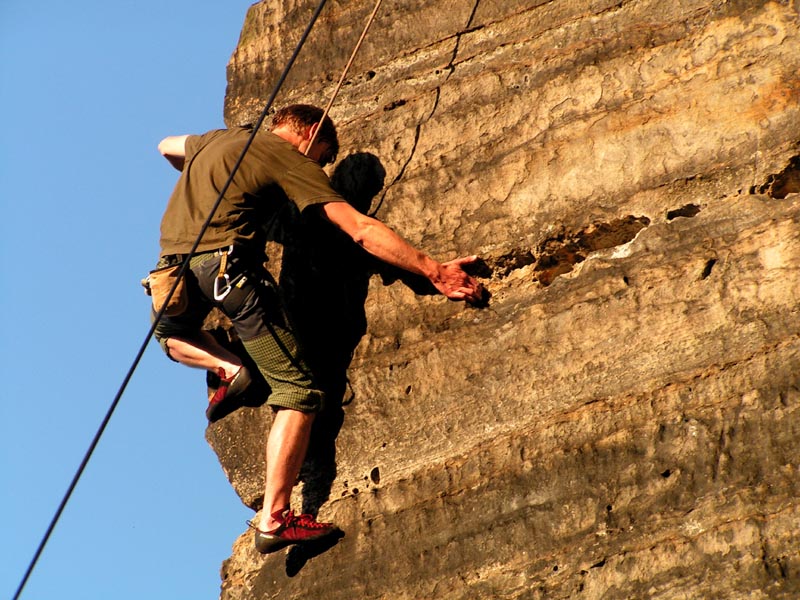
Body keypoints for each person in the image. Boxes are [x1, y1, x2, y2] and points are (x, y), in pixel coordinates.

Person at [150, 104, 483, 554]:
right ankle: (275, 517)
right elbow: (360, 230)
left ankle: (228, 369)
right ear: (309, 134)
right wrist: (434, 271)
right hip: (231, 274)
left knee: (170, 335)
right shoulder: (287, 157)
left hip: (173, 276)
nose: (319, 166)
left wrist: (204, 170)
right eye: (323, 156)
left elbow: (166, 146)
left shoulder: (216, 140)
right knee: (298, 393)